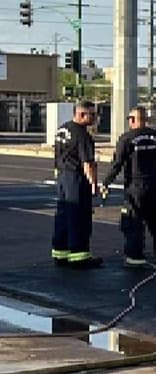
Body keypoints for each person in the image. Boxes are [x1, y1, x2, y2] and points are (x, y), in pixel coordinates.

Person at [101, 106, 156, 267]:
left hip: (136, 186)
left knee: (133, 221)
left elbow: (117, 164)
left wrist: (106, 182)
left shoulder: (127, 138)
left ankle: (135, 256)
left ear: (133, 120)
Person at [51, 100, 104, 269]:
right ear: (82, 114)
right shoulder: (82, 134)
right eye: (92, 114)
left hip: (62, 176)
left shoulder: (63, 129)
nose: (95, 118)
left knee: (63, 215)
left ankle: (60, 252)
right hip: (76, 178)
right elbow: (88, 163)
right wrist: (94, 184)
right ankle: (80, 256)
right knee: (79, 217)